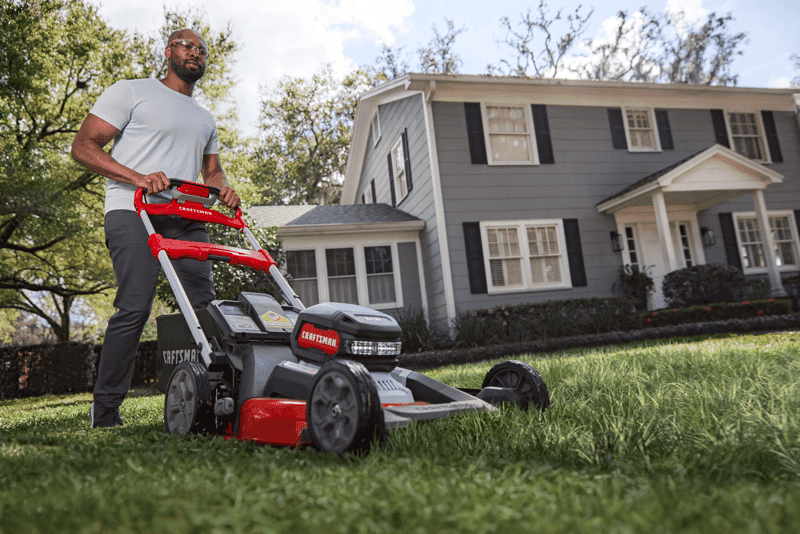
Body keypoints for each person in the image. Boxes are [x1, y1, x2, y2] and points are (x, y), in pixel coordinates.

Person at [71, 28, 240, 428]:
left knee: (204, 310)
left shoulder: (204, 117)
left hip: (187, 217)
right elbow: (83, 147)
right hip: (133, 210)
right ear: (168, 52)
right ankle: (106, 409)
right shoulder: (131, 91)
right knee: (134, 307)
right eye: (187, 46)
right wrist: (138, 177)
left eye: (202, 49)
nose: (195, 52)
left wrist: (225, 190)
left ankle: (214, 400)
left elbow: (212, 172)